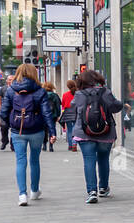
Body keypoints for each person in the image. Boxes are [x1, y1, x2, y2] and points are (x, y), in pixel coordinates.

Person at [0, 62, 55, 205]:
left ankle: (22, 194)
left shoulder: (11, 90)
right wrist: (52, 132)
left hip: (18, 131)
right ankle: (34, 191)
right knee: (34, 160)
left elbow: (3, 112)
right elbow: (47, 113)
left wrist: (12, 123)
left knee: (20, 161)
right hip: (37, 130)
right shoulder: (40, 90)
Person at [71, 68, 123, 204]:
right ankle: (103, 188)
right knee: (103, 159)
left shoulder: (79, 94)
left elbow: (73, 109)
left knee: (89, 160)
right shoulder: (105, 92)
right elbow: (116, 106)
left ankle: (92, 191)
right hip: (106, 132)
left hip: (84, 132)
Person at [42, 81, 63, 152]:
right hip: (53, 115)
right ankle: (51, 146)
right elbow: (58, 106)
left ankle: (44, 145)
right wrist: (58, 115)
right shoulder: (55, 95)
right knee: (52, 128)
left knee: (44, 130)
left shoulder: (42, 95)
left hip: (44, 115)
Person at [60, 78, 78, 151]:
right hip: (76, 112)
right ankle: (74, 143)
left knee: (69, 129)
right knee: (75, 128)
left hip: (67, 112)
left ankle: (70, 145)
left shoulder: (65, 95)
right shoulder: (77, 94)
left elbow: (63, 104)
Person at [0, 74, 16, 150]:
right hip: (5, 110)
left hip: (14, 111)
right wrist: (0, 108)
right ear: (6, 81)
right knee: (3, 127)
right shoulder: (3, 88)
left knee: (14, 128)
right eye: (9, 79)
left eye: (12, 79)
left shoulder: (17, 88)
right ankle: (4, 141)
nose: (11, 81)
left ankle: (13, 144)